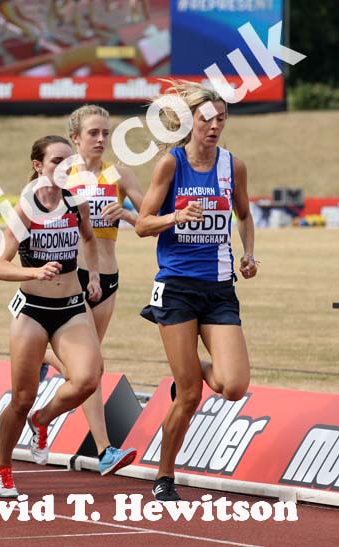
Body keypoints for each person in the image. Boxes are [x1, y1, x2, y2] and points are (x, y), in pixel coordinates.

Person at [135, 81, 257, 502]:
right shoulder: (171, 165)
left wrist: (250, 253)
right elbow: (142, 224)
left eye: (221, 118)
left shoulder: (232, 166)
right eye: (207, 118)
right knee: (189, 395)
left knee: (234, 385)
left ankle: (192, 366)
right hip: (177, 287)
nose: (215, 126)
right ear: (189, 122)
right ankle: (164, 476)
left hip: (220, 287)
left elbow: (244, 214)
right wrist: (176, 216)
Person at [0, 135, 103, 498]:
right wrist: (33, 273)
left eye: (70, 162)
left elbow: (88, 238)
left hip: (71, 307)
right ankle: (3, 467)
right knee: (21, 398)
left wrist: (95, 276)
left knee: (88, 379)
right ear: (38, 166)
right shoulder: (24, 210)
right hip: (33, 311)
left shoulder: (76, 200)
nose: (66, 168)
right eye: (57, 161)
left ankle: (42, 420)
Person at [39, 105, 142, 476]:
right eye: (93, 133)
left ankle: (47, 361)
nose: (100, 139)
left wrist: (127, 214)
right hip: (72, 276)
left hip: (108, 277)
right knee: (93, 365)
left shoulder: (119, 173)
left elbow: (149, 219)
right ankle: (105, 450)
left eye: (105, 133)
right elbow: (35, 214)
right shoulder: (62, 174)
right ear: (75, 138)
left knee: (89, 365)